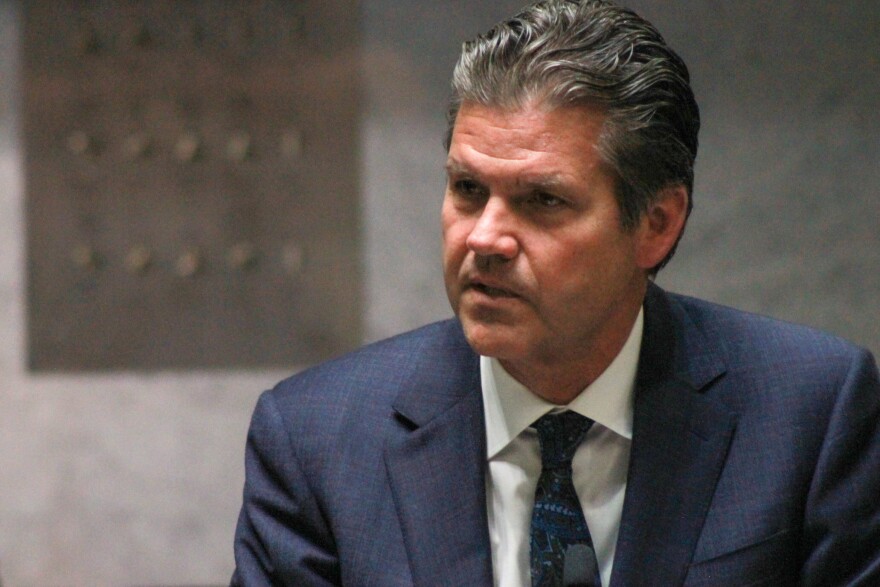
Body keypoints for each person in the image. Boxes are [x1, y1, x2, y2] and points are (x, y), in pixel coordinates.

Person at [231, 1, 880, 585]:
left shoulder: (812, 412)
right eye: (467, 189)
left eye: (542, 200)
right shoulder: (316, 439)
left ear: (656, 224)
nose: (485, 237)